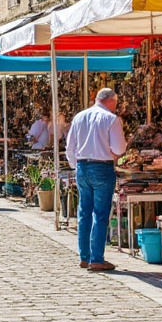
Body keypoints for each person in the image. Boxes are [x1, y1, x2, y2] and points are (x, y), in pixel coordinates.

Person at [65, 88, 128, 272]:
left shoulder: (79, 117)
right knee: (100, 214)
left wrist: (76, 165)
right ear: (111, 101)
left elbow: (70, 147)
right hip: (102, 167)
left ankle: (84, 256)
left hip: (82, 167)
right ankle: (97, 258)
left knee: (84, 212)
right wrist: (113, 154)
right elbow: (119, 148)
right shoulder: (111, 119)